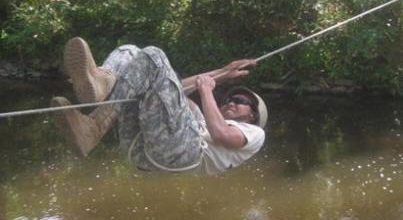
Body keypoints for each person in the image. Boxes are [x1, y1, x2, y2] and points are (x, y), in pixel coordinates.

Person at [52, 37, 267, 175]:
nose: (232, 102)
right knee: (130, 51)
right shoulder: (198, 121)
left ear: (253, 115)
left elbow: (222, 135)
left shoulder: (255, 133)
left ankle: (96, 122)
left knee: (155, 55)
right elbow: (169, 87)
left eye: (241, 102)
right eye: (231, 99)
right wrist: (222, 72)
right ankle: (101, 84)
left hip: (183, 156)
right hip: (142, 150)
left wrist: (207, 91)